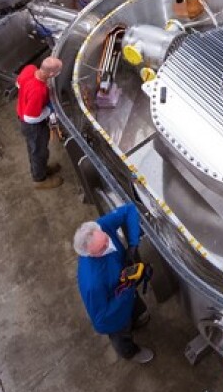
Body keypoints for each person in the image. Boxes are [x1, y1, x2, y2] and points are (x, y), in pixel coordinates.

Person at [73, 204, 154, 364]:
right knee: (120, 333)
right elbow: (101, 320)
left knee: (136, 308)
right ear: (90, 254)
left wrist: (133, 245)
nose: (109, 245)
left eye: (106, 239)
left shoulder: (100, 228)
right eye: (103, 248)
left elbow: (129, 209)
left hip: (126, 288)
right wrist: (126, 289)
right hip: (114, 309)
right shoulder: (92, 282)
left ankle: (136, 319)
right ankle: (130, 352)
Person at [15, 56, 63, 189]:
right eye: (58, 72)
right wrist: (49, 109)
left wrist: (26, 95)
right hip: (32, 126)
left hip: (23, 115)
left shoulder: (30, 69)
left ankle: (41, 169)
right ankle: (39, 180)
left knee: (35, 150)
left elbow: (18, 83)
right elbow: (30, 117)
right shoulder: (38, 90)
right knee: (38, 152)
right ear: (51, 74)